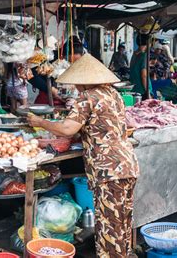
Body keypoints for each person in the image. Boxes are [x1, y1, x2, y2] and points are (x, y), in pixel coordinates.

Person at [27, 54, 139, 257]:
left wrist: (40, 122)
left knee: (108, 230)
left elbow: (67, 128)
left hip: (109, 171)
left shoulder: (88, 98)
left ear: (83, 81)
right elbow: (100, 125)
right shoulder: (113, 94)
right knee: (121, 225)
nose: (75, 88)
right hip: (127, 165)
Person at [129, 34, 152, 99]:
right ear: (148, 43)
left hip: (134, 89)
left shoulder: (134, 54)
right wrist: (148, 93)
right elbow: (144, 76)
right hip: (142, 90)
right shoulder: (144, 56)